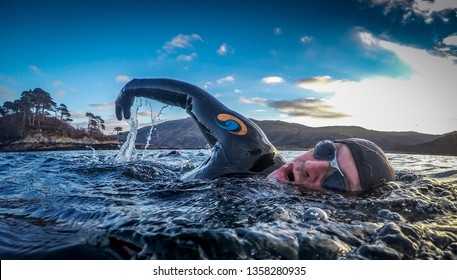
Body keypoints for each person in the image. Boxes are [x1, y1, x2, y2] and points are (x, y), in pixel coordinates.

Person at [115, 78, 394, 194]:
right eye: (325, 151)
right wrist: (132, 88)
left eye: (336, 181)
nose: (311, 167)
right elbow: (192, 98)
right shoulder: (246, 149)